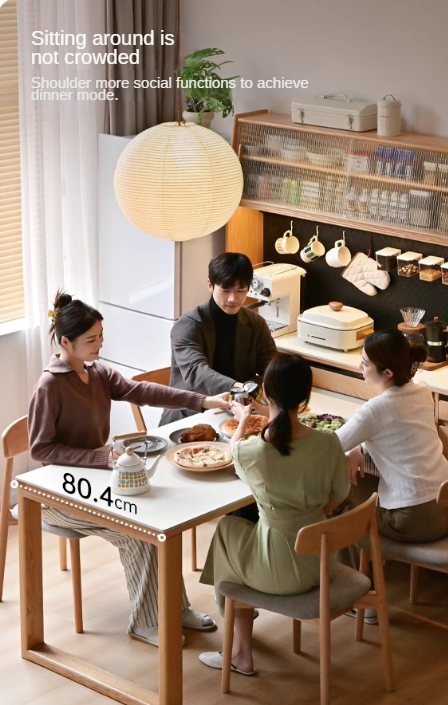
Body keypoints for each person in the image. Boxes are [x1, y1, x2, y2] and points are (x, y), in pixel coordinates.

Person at [28, 291, 231, 647]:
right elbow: (41, 449)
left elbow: (143, 392)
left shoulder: (98, 372)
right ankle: (147, 623)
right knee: (136, 533)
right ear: (65, 342)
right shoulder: (50, 385)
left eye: (101, 336)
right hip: (59, 493)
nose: (99, 345)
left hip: (98, 479)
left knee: (159, 526)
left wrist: (202, 401)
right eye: (91, 339)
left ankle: (173, 608)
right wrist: (101, 458)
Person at [197, 353, 350, 676]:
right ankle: (240, 643)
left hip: (277, 571)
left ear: (265, 391)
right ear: (306, 397)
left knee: (227, 530)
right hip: (321, 564)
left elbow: (234, 451)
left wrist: (242, 417)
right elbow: (339, 496)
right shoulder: (329, 442)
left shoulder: (254, 451)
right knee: (240, 531)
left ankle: (240, 651)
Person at [337, 329, 448, 544]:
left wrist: (354, 447)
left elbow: (329, 445)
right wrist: (359, 448)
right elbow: (399, 435)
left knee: (341, 504)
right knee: (364, 483)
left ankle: (352, 576)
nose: (359, 367)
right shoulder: (423, 391)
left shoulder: (376, 410)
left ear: (387, 373)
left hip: (415, 519)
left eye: (365, 363)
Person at [159, 252, 277, 426]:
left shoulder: (255, 323)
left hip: (239, 414)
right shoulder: (187, 325)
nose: (233, 298)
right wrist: (242, 388)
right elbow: (196, 372)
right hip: (189, 417)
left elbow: (272, 368)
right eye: (225, 290)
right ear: (210, 285)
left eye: (240, 290)